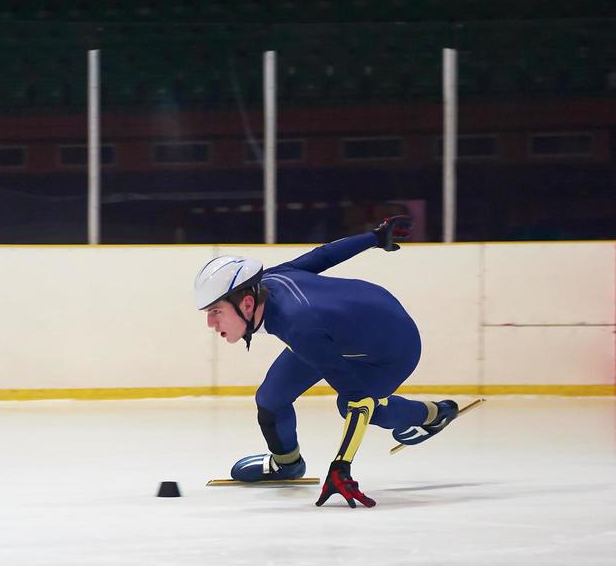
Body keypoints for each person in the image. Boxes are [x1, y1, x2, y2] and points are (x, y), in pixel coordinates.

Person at [194, 216, 459, 508]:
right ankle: (287, 464)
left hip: (393, 348)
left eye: (216, 311)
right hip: (344, 329)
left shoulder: (300, 327)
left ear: (246, 304)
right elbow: (323, 256)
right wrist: (375, 237)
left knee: (355, 407)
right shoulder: (269, 282)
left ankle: (433, 414)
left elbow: (359, 400)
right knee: (271, 398)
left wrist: (340, 468)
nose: (210, 322)